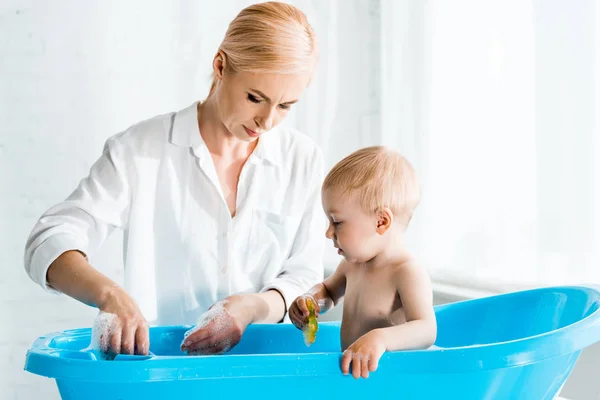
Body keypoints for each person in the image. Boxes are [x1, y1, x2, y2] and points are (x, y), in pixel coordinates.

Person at [24, 1, 325, 357]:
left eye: (286, 105)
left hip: (260, 369)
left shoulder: (302, 160)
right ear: (220, 66)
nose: (267, 120)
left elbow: (304, 277)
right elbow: (48, 239)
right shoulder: (139, 151)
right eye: (254, 97)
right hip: (162, 374)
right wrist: (110, 295)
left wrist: (251, 308)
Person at [289, 146, 437, 379]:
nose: (328, 233)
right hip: (357, 378)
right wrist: (311, 300)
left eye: (337, 222)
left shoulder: (406, 272)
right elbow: (328, 291)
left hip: (391, 381)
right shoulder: (352, 265)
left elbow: (426, 329)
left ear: (381, 222)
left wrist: (381, 338)